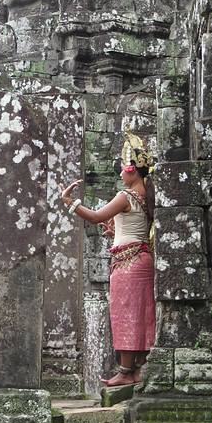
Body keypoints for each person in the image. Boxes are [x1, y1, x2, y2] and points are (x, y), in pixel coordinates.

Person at [61, 124, 156, 387]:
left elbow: (94, 216)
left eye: (123, 169)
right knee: (142, 314)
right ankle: (138, 369)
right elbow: (136, 229)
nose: (120, 176)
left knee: (126, 314)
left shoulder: (126, 195)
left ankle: (126, 372)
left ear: (131, 169)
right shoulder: (146, 196)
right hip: (141, 257)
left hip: (129, 264)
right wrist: (114, 234)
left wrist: (70, 202)